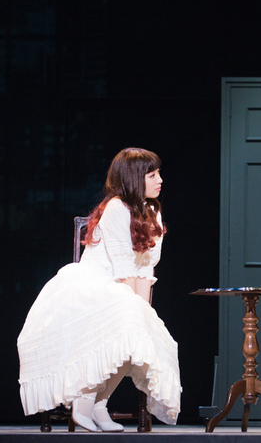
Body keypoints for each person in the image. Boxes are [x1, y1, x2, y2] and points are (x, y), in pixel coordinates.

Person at [17, 148, 181, 431]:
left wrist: (143, 313)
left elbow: (145, 270)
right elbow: (123, 270)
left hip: (122, 293)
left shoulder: (153, 212)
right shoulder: (117, 208)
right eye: (152, 175)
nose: (160, 180)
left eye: (158, 173)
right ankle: (84, 400)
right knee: (127, 322)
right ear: (133, 178)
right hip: (93, 287)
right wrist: (133, 312)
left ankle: (98, 405)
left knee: (139, 331)